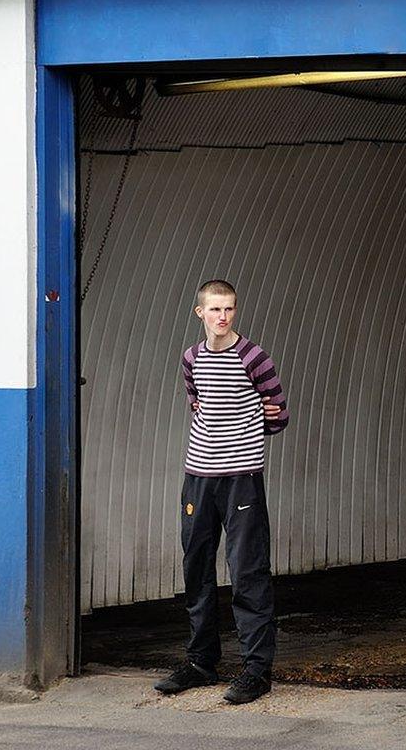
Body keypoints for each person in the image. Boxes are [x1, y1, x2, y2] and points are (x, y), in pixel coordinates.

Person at [153, 278, 289, 704]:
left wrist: (249, 429)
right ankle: (200, 662)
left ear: (236, 311)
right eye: (215, 309)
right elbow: (198, 402)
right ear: (200, 313)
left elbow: (278, 414)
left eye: (229, 309)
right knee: (196, 566)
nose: (222, 317)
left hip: (241, 476)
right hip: (199, 475)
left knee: (247, 570)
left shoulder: (254, 357)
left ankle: (255, 670)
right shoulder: (191, 357)